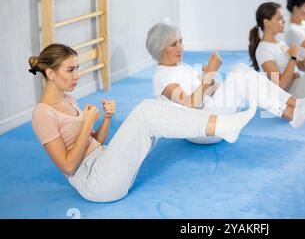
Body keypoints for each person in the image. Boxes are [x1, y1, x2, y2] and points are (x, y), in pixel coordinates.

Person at [29, 44, 257, 202]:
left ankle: (220, 125)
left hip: (107, 166)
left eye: (77, 68)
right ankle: (222, 126)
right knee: (146, 110)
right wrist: (87, 123)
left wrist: (106, 120)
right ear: (50, 73)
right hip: (95, 184)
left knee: (154, 113)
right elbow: (68, 166)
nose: (77, 75)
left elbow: (93, 143)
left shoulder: (70, 100)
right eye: (70, 69)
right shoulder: (42, 113)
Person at [146, 22, 305, 130]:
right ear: (160, 49)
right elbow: (192, 104)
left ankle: (294, 106)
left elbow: (208, 91)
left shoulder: (181, 67)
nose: (180, 48)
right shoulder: (162, 77)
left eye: (181, 41)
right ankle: (291, 112)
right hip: (201, 127)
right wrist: (210, 73)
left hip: (212, 111)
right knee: (239, 79)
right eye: (173, 44)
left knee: (240, 70)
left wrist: (212, 78)